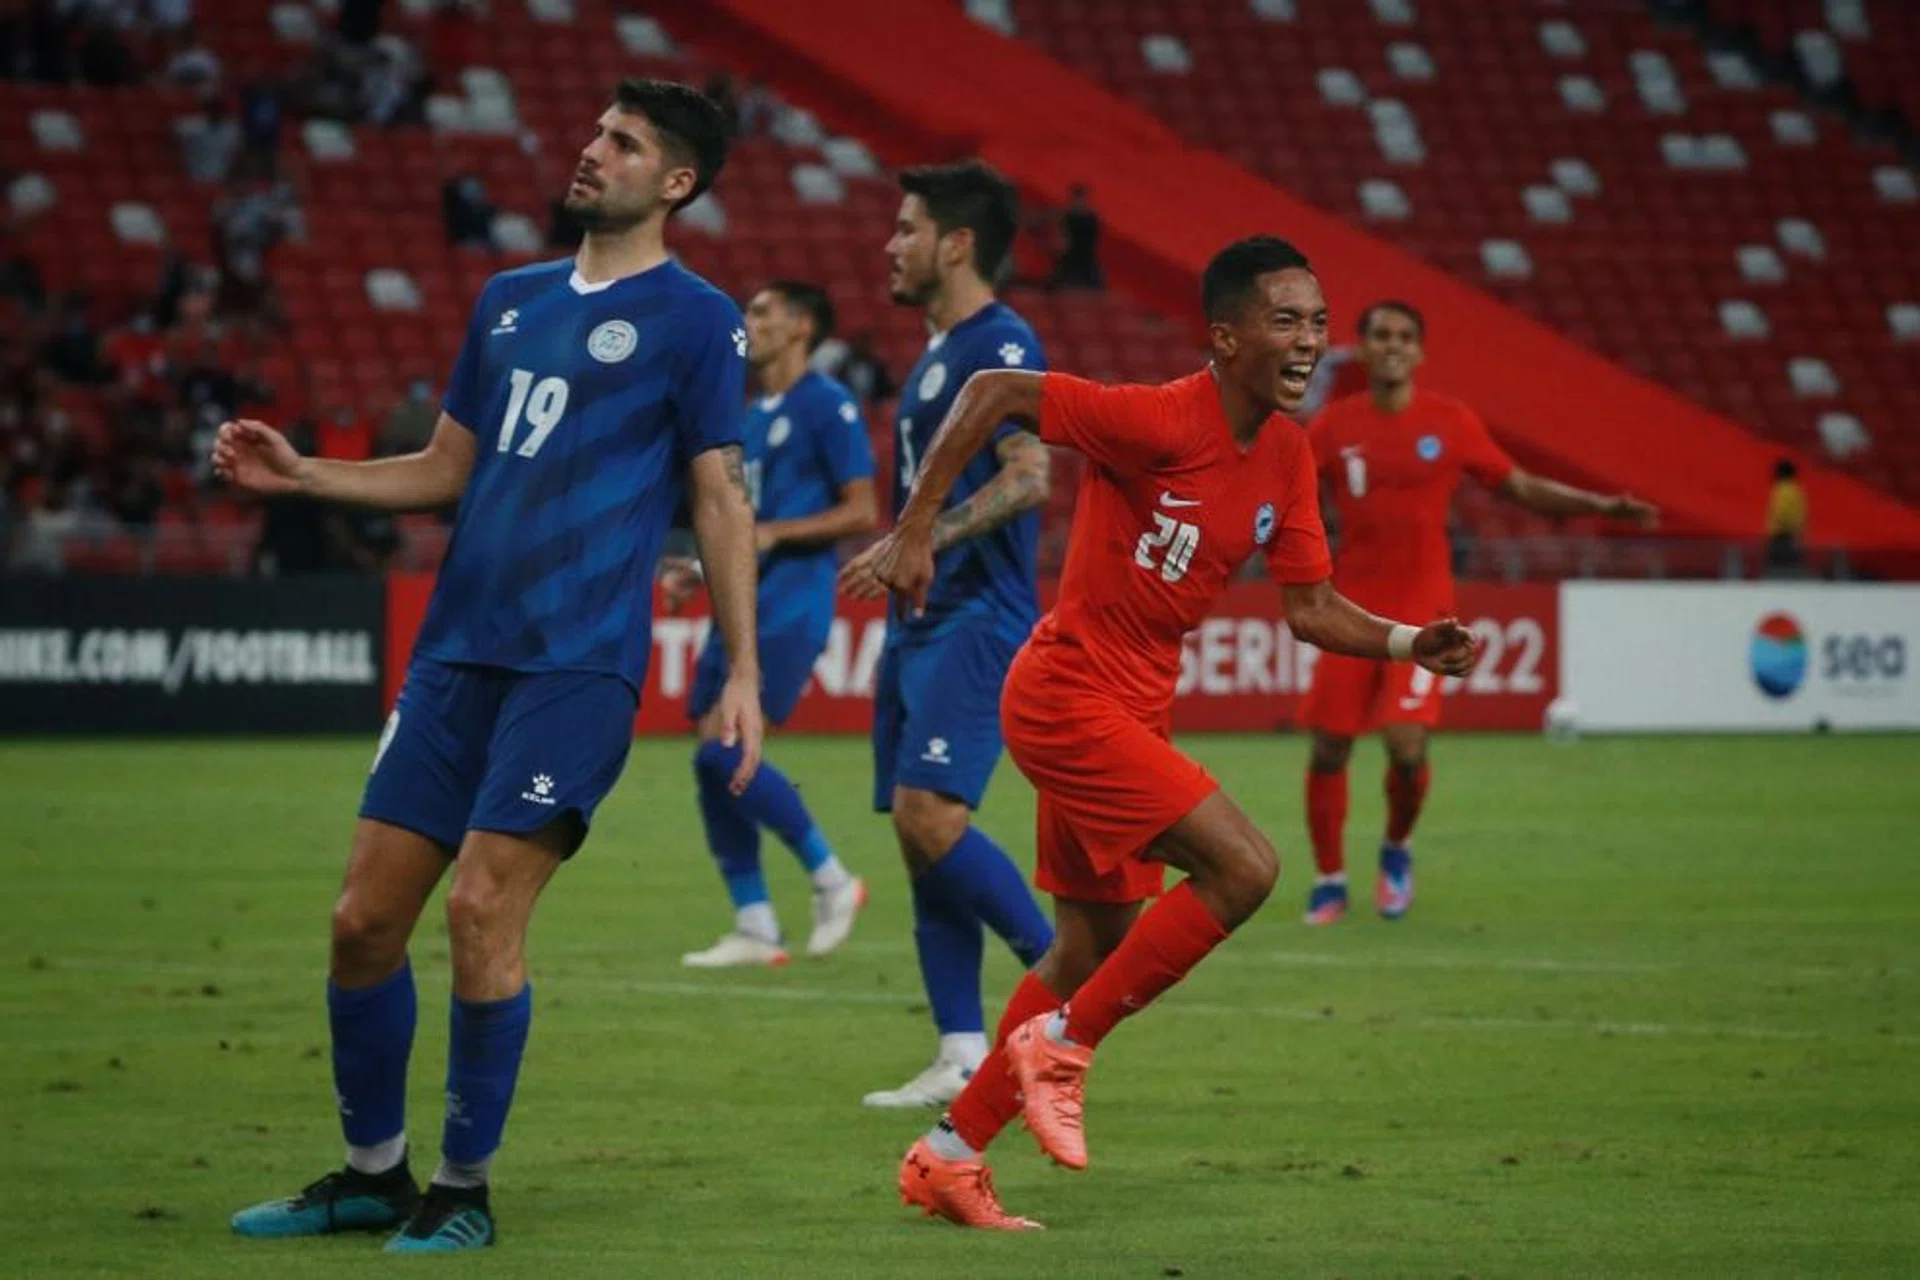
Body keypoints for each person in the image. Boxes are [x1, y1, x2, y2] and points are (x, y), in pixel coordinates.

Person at [215, 78, 758, 1254]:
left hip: (577, 666)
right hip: (456, 653)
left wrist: (743, 668)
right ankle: (372, 1174)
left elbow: (719, 493)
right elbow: (446, 467)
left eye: (622, 141)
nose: (590, 146)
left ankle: (464, 1188)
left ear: (675, 182)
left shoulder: (699, 318)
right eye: (594, 127)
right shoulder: (508, 302)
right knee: (362, 920)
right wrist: (305, 473)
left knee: (478, 908)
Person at [869, 236, 1480, 1229]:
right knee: (1244, 868)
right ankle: (1062, 1050)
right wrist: (913, 527)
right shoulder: (1157, 417)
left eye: (1319, 322)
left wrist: (1413, 640)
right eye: (1287, 320)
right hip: (1068, 692)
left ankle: (948, 1151)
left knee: (1088, 943)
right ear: (1226, 333)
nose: (1311, 341)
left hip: (1134, 702)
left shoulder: (1287, 451)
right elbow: (991, 389)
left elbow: (1313, 606)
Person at [1300, 301, 1657, 924]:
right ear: (1362, 346)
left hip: (1424, 612)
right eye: (1380, 335)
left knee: (1406, 748)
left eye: (1405, 337)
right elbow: (1286, 496)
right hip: (1349, 611)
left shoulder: (1450, 422)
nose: (1392, 346)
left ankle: (1396, 849)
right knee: (1329, 749)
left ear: (1420, 352)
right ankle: (1330, 879)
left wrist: (1601, 504)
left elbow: (1517, 486)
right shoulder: (1330, 427)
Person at [837, 160, 1056, 1110]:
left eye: (907, 228)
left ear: (956, 244)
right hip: (922, 619)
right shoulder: (935, 353)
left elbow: (1031, 474)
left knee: (933, 816)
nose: (891, 245)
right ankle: (963, 1050)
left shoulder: (999, 343)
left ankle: (1070, 986)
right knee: (919, 836)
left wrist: (921, 533)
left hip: (977, 614)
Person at [670, 279, 877, 966]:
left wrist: (778, 534)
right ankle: (756, 922)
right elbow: (738, 528)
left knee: (725, 747)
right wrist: (696, 569)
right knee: (708, 749)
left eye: (761, 312)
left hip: (792, 599)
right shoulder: (754, 417)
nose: (748, 322)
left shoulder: (828, 403)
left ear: (801, 324)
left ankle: (831, 877)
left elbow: (861, 511)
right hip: (740, 599)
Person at [1764, 457, 1806, 576]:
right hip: (1791, 534)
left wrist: (1781, 526)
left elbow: (1782, 512)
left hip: (1782, 535)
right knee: (1791, 567)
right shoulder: (1797, 489)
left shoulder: (1784, 489)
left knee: (1779, 569)